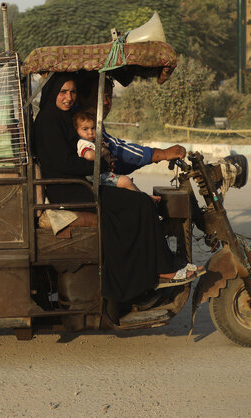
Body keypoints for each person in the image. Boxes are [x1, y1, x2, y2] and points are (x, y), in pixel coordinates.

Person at [32, 74, 202, 301]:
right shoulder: (48, 121)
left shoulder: (65, 118)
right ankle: (160, 271)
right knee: (140, 204)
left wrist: (101, 161)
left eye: (72, 92)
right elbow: (60, 163)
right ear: (53, 92)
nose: (68, 97)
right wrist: (97, 164)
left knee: (139, 202)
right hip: (68, 189)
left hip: (78, 183)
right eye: (63, 92)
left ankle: (160, 266)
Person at [75, 75, 187, 176]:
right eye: (98, 95)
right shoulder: (81, 123)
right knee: (143, 199)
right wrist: (162, 153)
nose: (105, 102)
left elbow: (119, 158)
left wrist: (152, 158)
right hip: (89, 184)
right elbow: (117, 148)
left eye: (108, 96)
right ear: (83, 98)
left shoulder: (93, 122)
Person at [72, 110, 150, 198]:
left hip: (101, 172)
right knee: (125, 181)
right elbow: (90, 155)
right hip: (93, 176)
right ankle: (144, 199)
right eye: (85, 129)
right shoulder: (83, 142)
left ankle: (145, 197)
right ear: (76, 130)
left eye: (93, 128)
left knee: (127, 181)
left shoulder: (94, 141)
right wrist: (104, 152)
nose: (90, 132)